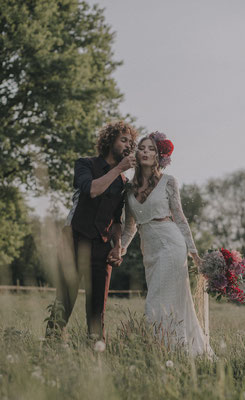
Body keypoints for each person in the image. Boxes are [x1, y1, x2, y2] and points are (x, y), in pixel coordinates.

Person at [110, 131, 215, 358]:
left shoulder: (169, 182)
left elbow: (180, 218)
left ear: (159, 156)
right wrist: (122, 249)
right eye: (142, 148)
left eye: (151, 149)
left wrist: (195, 255)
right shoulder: (128, 189)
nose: (146, 152)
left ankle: (167, 350)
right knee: (167, 301)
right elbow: (130, 228)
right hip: (149, 250)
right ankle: (174, 350)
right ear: (136, 154)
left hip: (171, 244)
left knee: (156, 301)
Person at [45, 121, 138, 342]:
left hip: (102, 247)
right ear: (109, 140)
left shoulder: (124, 182)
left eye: (130, 142)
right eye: (123, 140)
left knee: (98, 309)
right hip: (74, 239)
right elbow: (92, 190)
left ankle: (95, 356)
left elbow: (117, 221)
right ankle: (50, 347)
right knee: (64, 301)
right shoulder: (84, 164)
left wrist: (118, 248)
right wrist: (118, 169)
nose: (127, 145)